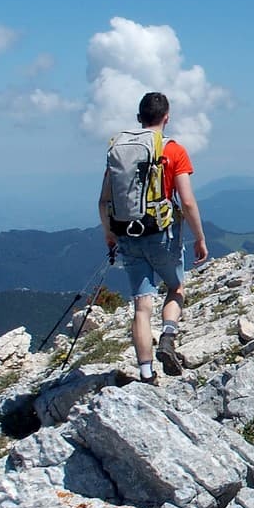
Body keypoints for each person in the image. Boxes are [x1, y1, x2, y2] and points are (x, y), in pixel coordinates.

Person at [99, 91, 208, 381]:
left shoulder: (120, 150)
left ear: (139, 118)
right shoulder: (174, 151)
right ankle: (169, 336)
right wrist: (199, 238)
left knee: (142, 305)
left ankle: (146, 373)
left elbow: (103, 201)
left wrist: (110, 236)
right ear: (167, 117)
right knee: (176, 288)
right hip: (162, 235)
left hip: (126, 235)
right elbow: (186, 201)